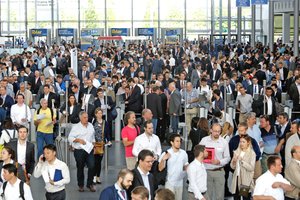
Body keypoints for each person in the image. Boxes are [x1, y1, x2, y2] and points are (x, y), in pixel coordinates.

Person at [199, 123, 231, 200]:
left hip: (219, 171)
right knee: (207, 195)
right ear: (211, 130)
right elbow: (198, 154)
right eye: (215, 131)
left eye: (219, 131)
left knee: (220, 196)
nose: (217, 133)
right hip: (206, 171)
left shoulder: (224, 142)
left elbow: (227, 157)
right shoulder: (204, 140)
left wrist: (219, 162)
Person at [68, 111, 96, 192]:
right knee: (80, 167)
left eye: (87, 117)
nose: (86, 119)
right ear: (80, 118)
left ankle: (89, 183)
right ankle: (80, 185)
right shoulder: (76, 127)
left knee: (92, 166)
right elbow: (70, 138)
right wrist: (79, 140)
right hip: (79, 150)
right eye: (84, 118)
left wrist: (94, 146)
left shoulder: (90, 126)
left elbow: (93, 136)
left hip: (89, 150)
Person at [158, 134, 189, 200]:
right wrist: (163, 159)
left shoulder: (183, 153)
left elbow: (186, 165)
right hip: (170, 183)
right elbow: (160, 168)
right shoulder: (166, 153)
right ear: (171, 142)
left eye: (180, 141)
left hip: (180, 184)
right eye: (177, 141)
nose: (179, 143)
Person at [230, 134, 256, 200]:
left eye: (243, 142)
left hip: (246, 180)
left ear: (248, 142)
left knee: (246, 198)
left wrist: (242, 161)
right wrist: (234, 162)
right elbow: (232, 167)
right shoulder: (236, 152)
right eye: (240, 141)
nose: (241, 143)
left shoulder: (252, 154)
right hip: (236, 178)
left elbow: (251, 168)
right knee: (236, 197)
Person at [92, 108, 111, 184]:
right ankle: (93, 177)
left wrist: (109, 140)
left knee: (99, 162)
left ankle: (98, 177)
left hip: (101, 144)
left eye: (101, 113)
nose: (100, 115)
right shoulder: (93, 121)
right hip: (93, 144)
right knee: (93, 161)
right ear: (96, 114)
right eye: (98, 113)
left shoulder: (105, 123)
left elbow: (108, 133)